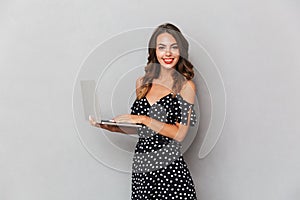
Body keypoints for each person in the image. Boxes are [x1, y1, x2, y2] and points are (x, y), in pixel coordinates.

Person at [89, 23, 198, 199]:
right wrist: (113, 127)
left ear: (181, 51)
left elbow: (179, 134)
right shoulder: (143, 83)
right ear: (154, 51)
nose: (168, 53)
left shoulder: (186, 86)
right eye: (161, 47)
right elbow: (145, 131)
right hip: (142, 170)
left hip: (169, 172)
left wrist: (143, 119)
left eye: (174, 47)